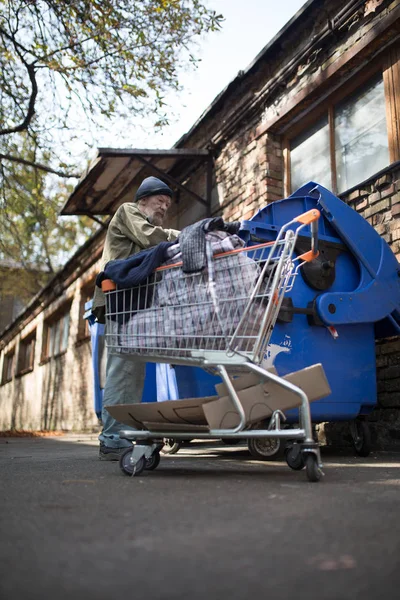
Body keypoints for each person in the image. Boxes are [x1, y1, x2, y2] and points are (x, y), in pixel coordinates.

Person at [92, 176, 180, 460]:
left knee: (133, 372)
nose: (164, 207)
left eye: (167, 203)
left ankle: (121, 433)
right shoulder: (128, 211)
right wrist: (185, 236)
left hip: (134, 304)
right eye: (160, 201)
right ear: (143, 200)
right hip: (120, 301)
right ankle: (112, 438)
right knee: (124, 370)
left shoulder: (147, 226)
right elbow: (151, 237)